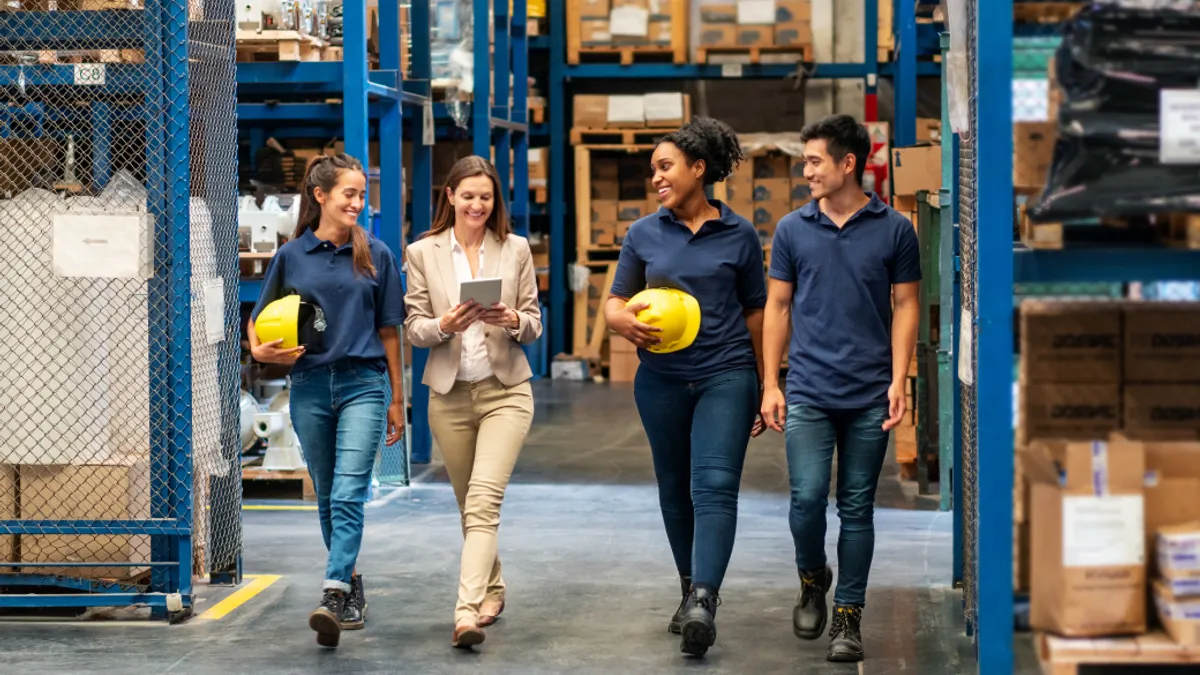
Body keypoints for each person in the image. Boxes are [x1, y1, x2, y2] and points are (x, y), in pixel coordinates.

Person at [759, 113, 921, 663]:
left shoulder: (895, 228)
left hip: (870, 393)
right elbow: (777, 307)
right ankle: (812, 577)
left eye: (813, 161)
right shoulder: (792, 229)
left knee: (857, 508)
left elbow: (906, 305)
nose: (806, 171)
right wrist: (770, 383)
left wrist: (900, 380)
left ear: (847, 163)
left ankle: (848, 614)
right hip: (807, 388)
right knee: (806, 499)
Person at [604, 116, 767, 658]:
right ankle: (686, 587)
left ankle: (704, 597)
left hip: (726, 373)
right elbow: (613, 301)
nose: (657, 177)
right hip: (661, 382)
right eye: (654, 169)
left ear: (699, 169)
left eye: (666, 166)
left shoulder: (740, 235)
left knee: (714, 485)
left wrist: (766, 384)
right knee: (674, 490)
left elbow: (757, 313)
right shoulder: (644, 233)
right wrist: (622, 321)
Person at [247, 153, 408, 649]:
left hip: (364, 383)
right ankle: (351, 581)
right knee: (325, 493)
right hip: (311, 385)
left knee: (348, 490)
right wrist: (257, 348)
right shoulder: (291, 256)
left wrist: (397, 401)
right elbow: (257, 318)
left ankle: (333, 592)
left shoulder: (376, 254)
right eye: (350, 194)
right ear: (320, 196)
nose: (359, 203)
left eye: (362, 194)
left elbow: (389, 332)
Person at [403, 155, 543, 649]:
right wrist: (446, 325)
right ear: (451, 197)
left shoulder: (515, 248)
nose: (478, 204)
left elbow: (534, 321)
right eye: (469, 196)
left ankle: (464, 612)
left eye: (486, 197)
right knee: (470, 507)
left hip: (506, 392)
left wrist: (511, 319)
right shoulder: (422, 252)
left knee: (484, 501)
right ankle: (494, 588)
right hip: (450, 396)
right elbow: (415, 327)